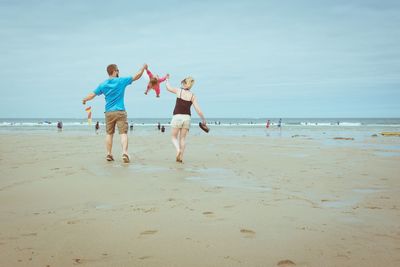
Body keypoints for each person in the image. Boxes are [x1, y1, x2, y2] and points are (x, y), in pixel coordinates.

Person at [82, 63, 147, 163]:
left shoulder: (103, 84)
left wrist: (85, 99)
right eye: (117, 70)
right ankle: (124, 152)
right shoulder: (121, 81)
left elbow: (92, 95)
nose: (118, 72)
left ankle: (109, 154)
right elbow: (137, 76)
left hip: (109, 112)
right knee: (123, 133)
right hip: (120, 111)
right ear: (114, 71)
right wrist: (143, 68)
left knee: (109, 134)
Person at [166, 76, 206, 163]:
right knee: (183, 139)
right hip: (187, 118)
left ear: (184, 83)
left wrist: (167, 80)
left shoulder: (179, 91)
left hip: (177, 117)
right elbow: (198, 109)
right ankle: (181, 157)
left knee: (173, 137)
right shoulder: (192, 96)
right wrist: (203, 119)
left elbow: (168, 88)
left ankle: (178, 150)